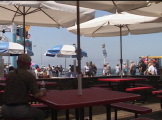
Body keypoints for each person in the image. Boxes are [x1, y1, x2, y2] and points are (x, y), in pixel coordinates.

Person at [2, 54, 46, 120]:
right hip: (19, 110)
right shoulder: (29, 76)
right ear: (29, 64)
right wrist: (43, 92)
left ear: (17, 62)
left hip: (4, 109)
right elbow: (36, 95)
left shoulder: (10, 74)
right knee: (40, 114)